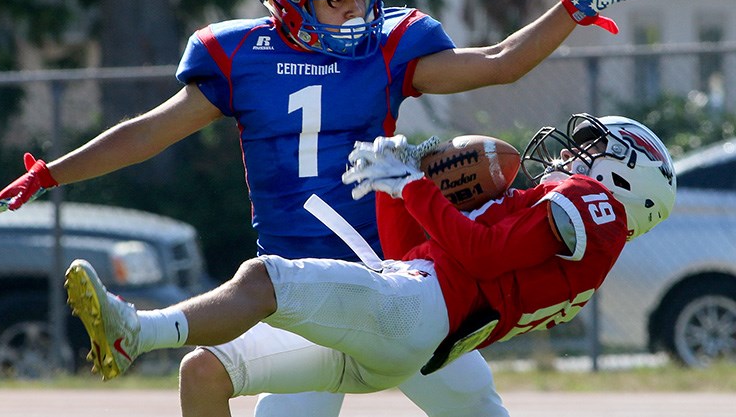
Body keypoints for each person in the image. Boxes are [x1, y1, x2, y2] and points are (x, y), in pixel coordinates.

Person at [0, 0, 652, 417]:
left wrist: (570, 11)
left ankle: (139, 330)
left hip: (395, 286)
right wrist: (52, 172)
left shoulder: (390, 47)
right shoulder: (239, 57)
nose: (355, 10)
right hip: (306, 301)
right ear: (286, 3)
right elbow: (148, 132)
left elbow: (499, 64)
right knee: (205, 374)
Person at [63, 113, 677, 417]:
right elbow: (409, 253)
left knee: (263, 279)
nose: (577, 153)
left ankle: (134, 333)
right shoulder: (574, 226)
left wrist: (417, 184)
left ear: (628, 180)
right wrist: (394, 185)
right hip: (411, 319)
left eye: (598, 150)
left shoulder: (595, 208)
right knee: (205, 375)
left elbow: (479, 253)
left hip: (417, 311)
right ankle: (140, 337)